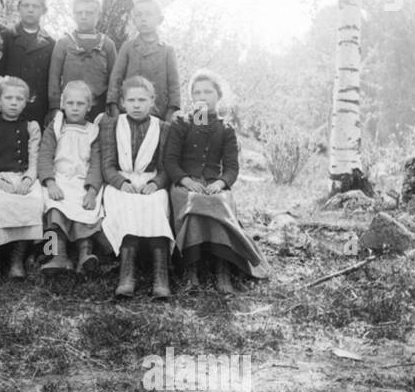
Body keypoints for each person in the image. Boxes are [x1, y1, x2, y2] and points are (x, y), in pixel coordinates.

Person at [164, 70, 269, 293]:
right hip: (186, 183)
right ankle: (191, 270)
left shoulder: (226, 128)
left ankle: (222, 269)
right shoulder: (182, 123)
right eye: (197, 92)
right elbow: (170, 161)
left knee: (218, 202)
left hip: (214, 183)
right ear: (191, 96)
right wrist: (185, 180)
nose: (202, 96)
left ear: (218, 95)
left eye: (208, 92)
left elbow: (232, 167)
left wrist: (221, 183)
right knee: (193, 202)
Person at [100, 76, 174, 299]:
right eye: (131, 100)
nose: (136, 105)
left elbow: (166, 167)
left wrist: (155, 183)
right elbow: (107, 165)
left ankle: (161, 276)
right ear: (122, 102)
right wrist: (121, 183)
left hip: (150, 180)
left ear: (152, 101)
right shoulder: (112, 124)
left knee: (157, 202)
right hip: (121, 181)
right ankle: (127, 274)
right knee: (124, 204)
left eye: (142, 100)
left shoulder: (163, 128)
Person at [0, 76, 44, 280]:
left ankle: (17, 258)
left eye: (19, 99)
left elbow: (34, 161)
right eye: (8, 98)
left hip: (24, 177)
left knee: (34, 200)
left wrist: (28, 180)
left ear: (26, 102)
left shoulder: (32, 126)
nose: (14, 103)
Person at [38, 81, 104, 274]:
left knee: (86, 211)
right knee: (53, 207)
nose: (75, 108)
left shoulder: (93, 131)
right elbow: (45, 156)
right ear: (62, 104)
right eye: (70, 103)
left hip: (83, 181)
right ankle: (57, 256)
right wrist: (50, 183)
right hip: (58, 179)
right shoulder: (56, 127)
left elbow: (96, 164)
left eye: (80, 104)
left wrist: (91, 192)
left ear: (89, 106)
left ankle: (85, 254)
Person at [106, 0, 181, 120]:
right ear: (134, 20)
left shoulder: (168, 50)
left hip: (158, 112)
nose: (143, 19)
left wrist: (171, 110)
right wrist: (113, 104)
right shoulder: (128, 47)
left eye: (149, 14)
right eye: (139, 15)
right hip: (129, 111)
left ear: (160, 19)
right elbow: (116, 78)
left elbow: (174, 85)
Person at [48, 0, 117, 122]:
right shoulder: (64, 42)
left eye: (89, 13)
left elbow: (114, 79)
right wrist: (55, 106)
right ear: (74, 14)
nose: (84, 17)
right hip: (70, 107)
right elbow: (54, 77)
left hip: (98, 108)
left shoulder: (107, 44)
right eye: (79, 13)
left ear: (98, 15)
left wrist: (112, 104)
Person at [1, 0, 55, 127]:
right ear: (18, 8)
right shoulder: (6, 36)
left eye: (35, 6)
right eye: (26, 5)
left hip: (37, 109)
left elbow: (51, 79)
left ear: (44, 10)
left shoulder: (50, 43)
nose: (30, 10)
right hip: (8, 106)